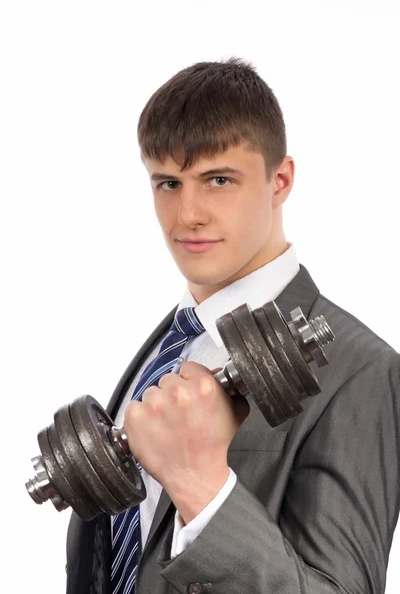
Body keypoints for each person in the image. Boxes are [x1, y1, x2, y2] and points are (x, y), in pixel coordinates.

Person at [66, 57, 400, 594]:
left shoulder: (360, 370)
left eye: (218, 179)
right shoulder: (169, 346)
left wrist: (202, 487)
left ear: (280, 180)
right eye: (168, 183)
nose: (187, 214)